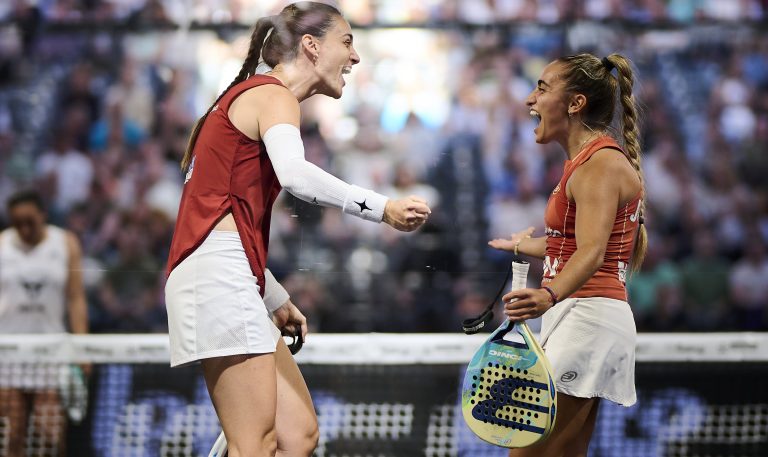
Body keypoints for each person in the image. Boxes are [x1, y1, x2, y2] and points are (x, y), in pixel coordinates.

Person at [163, 3, 431, 457]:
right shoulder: (273, 95)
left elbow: (227, 220)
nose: (355, 56)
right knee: (255, 444)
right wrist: (383, 208)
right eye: (347, 41)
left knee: (297, 435)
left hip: (228, 273)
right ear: (311, 46)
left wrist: (271, 295)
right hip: (217, 277)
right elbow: (296, 176)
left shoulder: (257, 97)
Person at [489, 53, 646, 457]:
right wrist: (519, 245)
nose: (530, 99)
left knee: (524, 452)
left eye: (542, 88)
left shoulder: (600, 164)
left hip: (589, 317)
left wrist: (548, 294)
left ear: (576, 103)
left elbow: (592, 251)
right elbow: (570, 244)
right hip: (580, 316)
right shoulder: (584, 164)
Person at [0, 190, 89, 457]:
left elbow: (75, 298)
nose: (24, 229)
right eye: (18, 223)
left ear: (43, 215)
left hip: (52, 353)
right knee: (11, 437)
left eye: (30, 221)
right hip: (8, 355)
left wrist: (83, 347)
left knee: (50, 437)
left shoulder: (66, 243)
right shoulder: (2, 245)